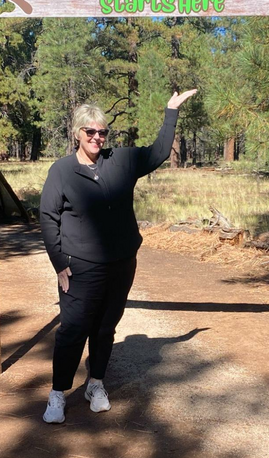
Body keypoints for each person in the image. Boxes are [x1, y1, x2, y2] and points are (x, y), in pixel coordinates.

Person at [39, 89, 197, 423]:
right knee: (73, 329)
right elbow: (48, 218)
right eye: (90, 132)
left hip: (121, 264)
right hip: (79, 267)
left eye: (102, 132)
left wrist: (171, 111)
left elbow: (156, 154)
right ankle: (57, 393)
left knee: (105, 328)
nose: (97, 137)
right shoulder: (62, 171)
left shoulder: (120, 161)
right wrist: (59, 264)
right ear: (77, 133)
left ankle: (95, 383)